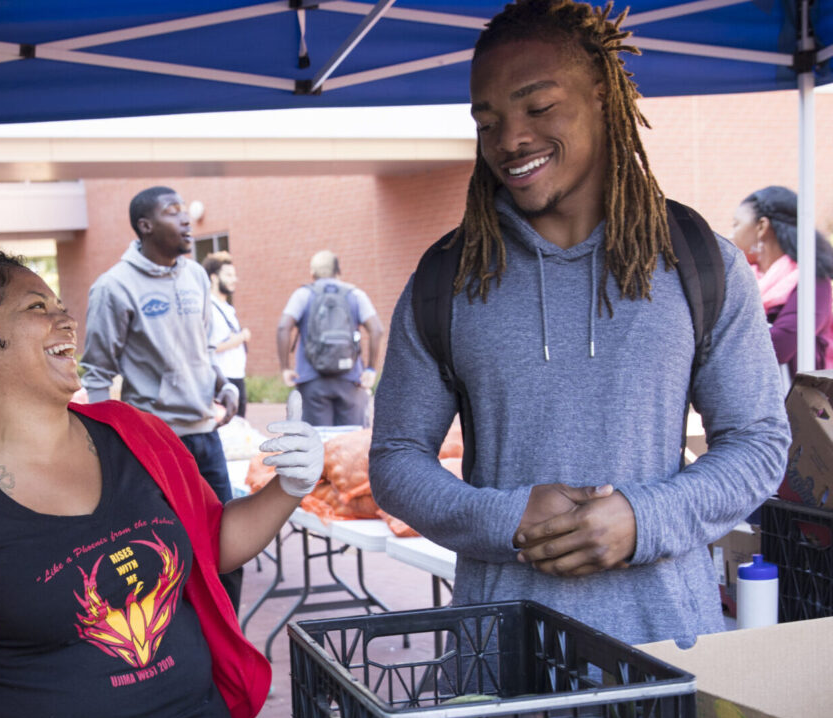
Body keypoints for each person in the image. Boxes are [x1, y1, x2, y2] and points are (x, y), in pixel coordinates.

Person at [368, 0, 790, 647]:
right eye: (488, 122)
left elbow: (759, 442)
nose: (510, 140)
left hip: (668, 660)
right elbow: (396, 460)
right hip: (502, 664)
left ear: (603, 96)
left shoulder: (701, 262)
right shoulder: (448, 278)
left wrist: (642, 519)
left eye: (538, 108)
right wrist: (506, 517)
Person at [0, 220, 323, 718]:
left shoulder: (135, 432)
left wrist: (288, 488)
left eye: (58, 304)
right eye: (36, 307)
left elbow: (215, 543)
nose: (66, 318)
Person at [81, 186, 244, 612]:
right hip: (154, 445)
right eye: (173, 212)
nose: (186, 218)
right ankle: (177, 649)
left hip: (206, 437)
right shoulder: (113, 288)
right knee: (167, 557)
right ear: (145, 226)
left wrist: (222, 384)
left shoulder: (194, 276)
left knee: (228, 551)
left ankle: (229, 649)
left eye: (185, 210)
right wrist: (105, 442)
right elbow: (96, 372)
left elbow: (204, 348)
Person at [731, 185, 833, 382]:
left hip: (799, 407)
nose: (731, 234)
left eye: (736, 224)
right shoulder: (740, 281)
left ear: (762, 226)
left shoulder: (813, 282)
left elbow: (780, 345)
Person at [276, 249, 384, 427]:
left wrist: (285, 368)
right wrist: (371, 369)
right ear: (338, 271)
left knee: (317, 444)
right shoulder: (355, 294)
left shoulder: (303, 295)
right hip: (351, 380)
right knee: (352, 441)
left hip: (312, 381)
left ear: (312, 273)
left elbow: (283, 327)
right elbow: (377, 330)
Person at [203, 251, 251, 418]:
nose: (233, 279)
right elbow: (209, 347)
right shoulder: (209, 308)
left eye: (234, 275)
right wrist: (241, 338)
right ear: (214, 277)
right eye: (228, 275)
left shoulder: (227, 308)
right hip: (222, 379)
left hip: (238, 376)